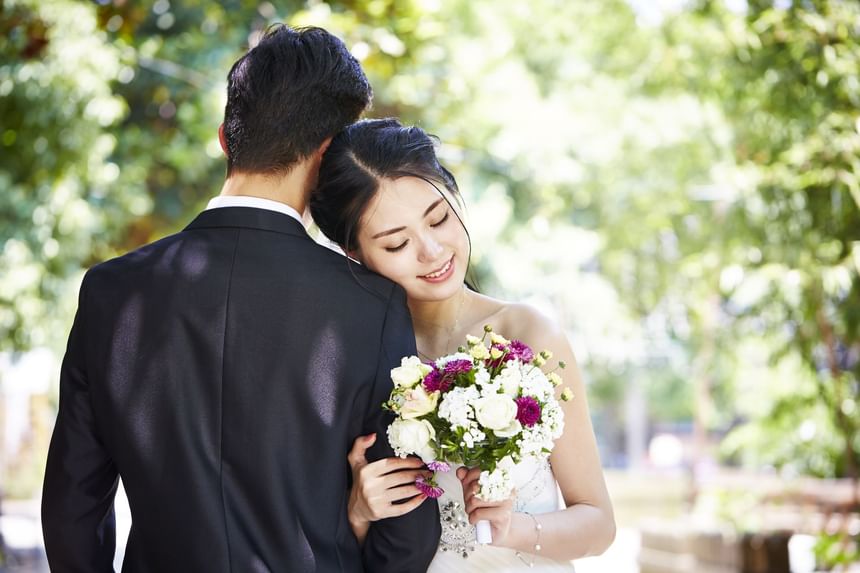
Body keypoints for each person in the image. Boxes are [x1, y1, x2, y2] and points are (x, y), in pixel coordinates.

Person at [41, 26, 440, 572]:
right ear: (328, 158)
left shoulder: (111, 291)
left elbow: (71, 509)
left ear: (226, 140)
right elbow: (408, 522)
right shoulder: (371, 306)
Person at [311, 118, 616, 571]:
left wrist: (513, 530)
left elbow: (599, 524)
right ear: (356, 255)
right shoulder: (352, 360)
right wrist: (359, 511)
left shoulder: (529, 334)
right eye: (397, 244)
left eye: (439, 217)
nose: (432, 251)